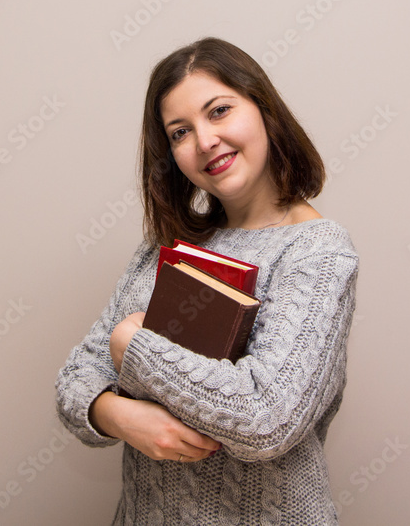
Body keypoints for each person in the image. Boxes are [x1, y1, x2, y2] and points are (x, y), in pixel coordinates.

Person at [55, 36, 359, 524]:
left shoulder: (317, 252)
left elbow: (265, 418)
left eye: (219, 111)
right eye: (179, 132)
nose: (204, 141)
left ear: (264, 110)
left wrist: (133, 347)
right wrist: (119, 416)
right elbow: (75, 380)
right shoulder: (164, 246)